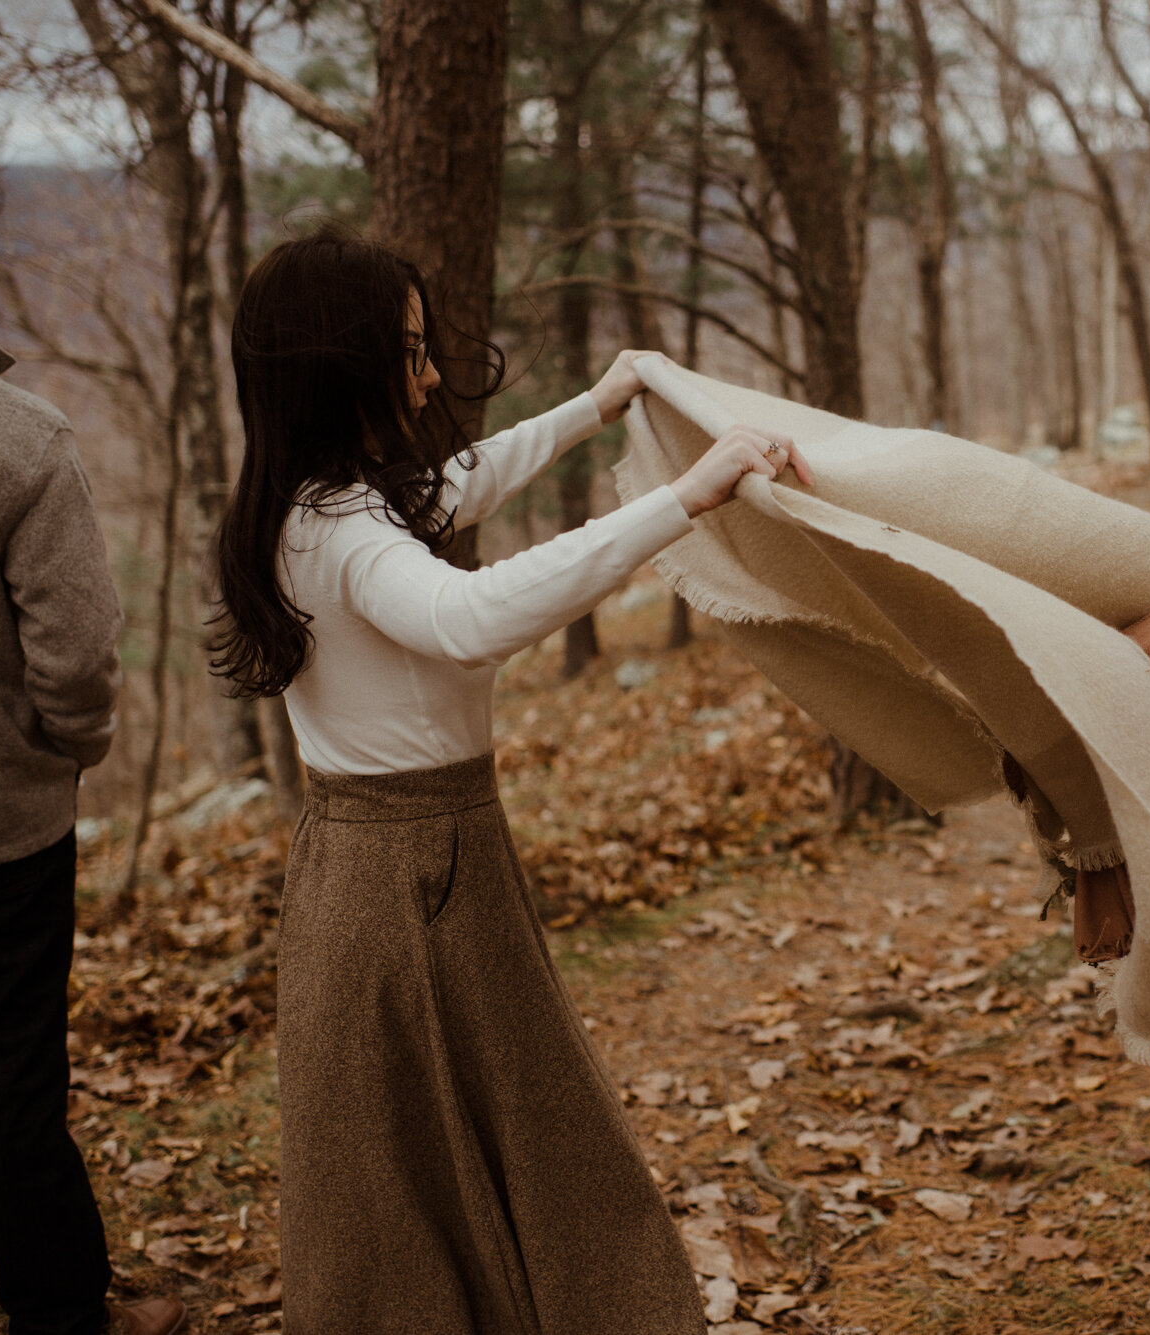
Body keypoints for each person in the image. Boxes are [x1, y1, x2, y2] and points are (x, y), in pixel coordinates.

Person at [209, 228, 809, 1332]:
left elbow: (455, 486)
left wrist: (595, 404)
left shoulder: (319, 500)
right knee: (491, 1151)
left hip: (393, 870)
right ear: (338, 364)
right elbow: (469, 619)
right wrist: (687, 498)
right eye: (408, 350)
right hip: (404, 883)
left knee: (469, 1153)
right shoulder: (335, 526)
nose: (431, 373)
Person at [0, 153, 185, 1335]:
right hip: (1, 827)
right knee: (10, 1081)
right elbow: (73, 657)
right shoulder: (19, 436)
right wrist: (67, 750)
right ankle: (62, 1310)